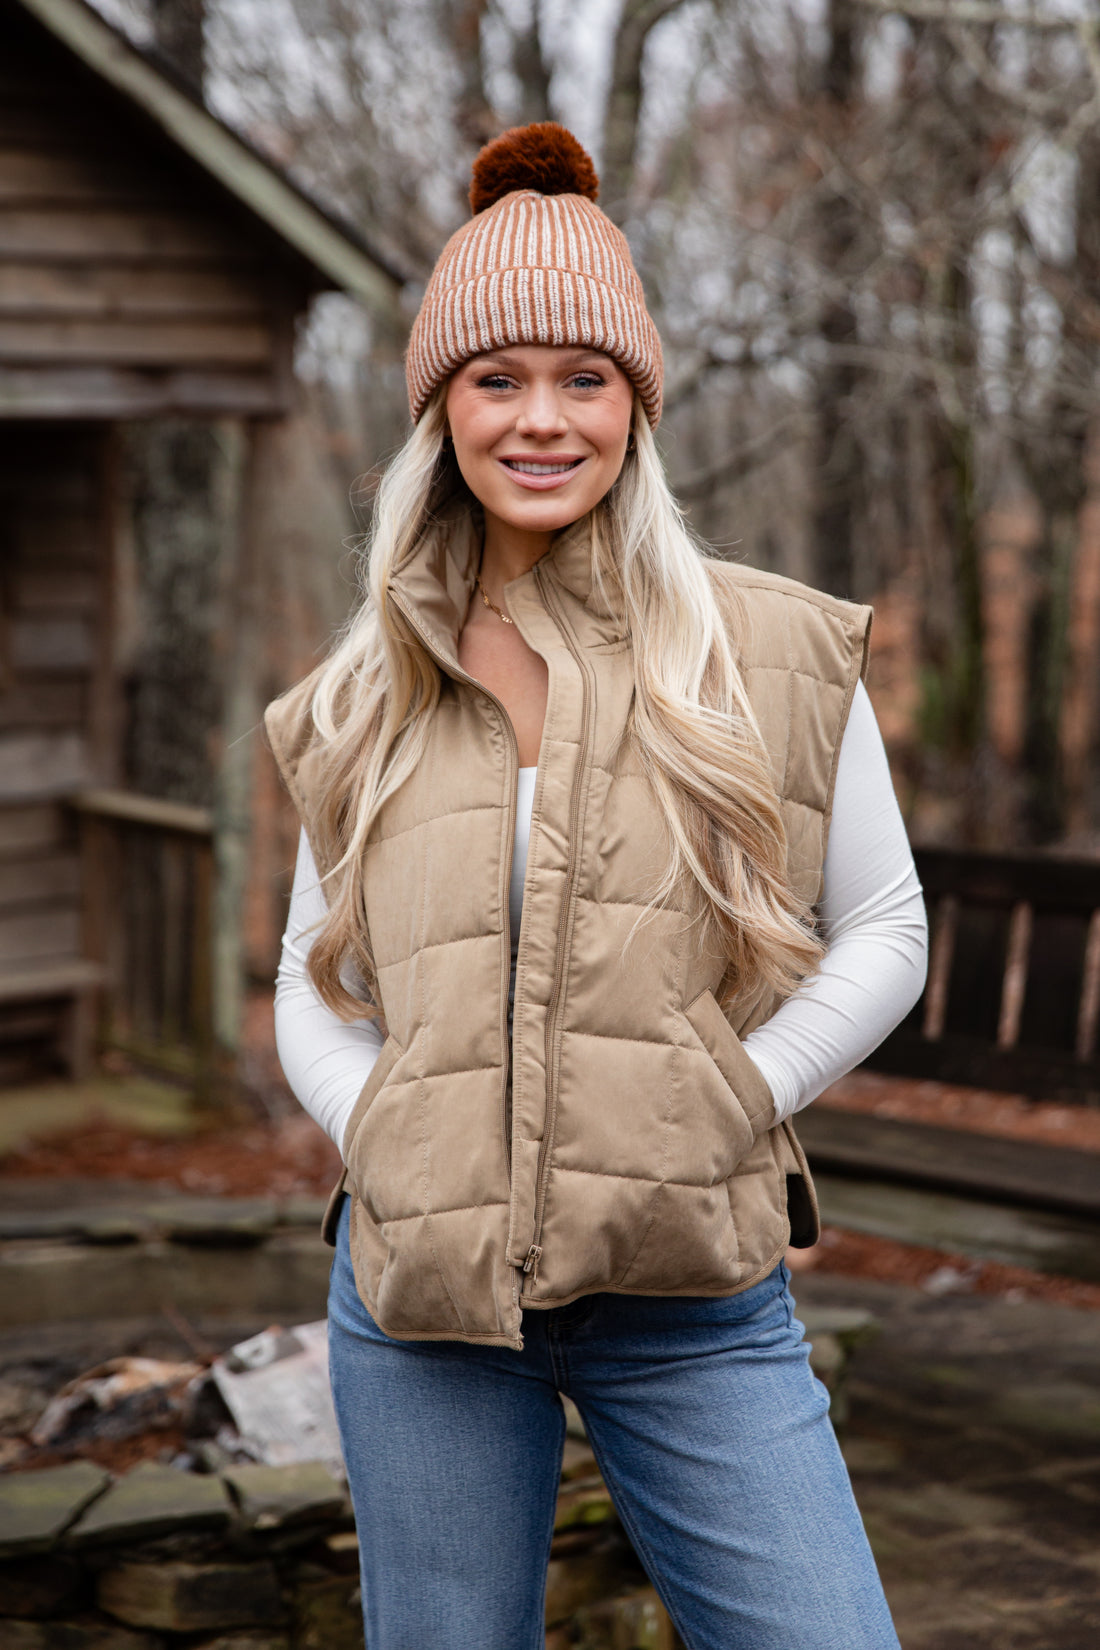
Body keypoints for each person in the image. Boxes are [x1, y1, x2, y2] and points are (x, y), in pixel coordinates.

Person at [265, 122, 927, 1650]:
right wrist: (380, 1122)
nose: (543, 420)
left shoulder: (770, 650)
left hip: (692, 1301)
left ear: (639, 402)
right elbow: (311, 969)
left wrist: (734, 1092)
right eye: (498, 379)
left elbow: (884, 928)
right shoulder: (367, 689)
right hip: (421, 1306)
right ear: (442, 410)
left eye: (587, 378)